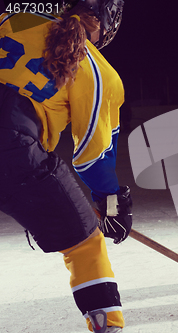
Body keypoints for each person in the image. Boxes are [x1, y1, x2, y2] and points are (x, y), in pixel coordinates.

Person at [0, 1, 131, 332]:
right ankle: (107, 326)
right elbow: (92, 156)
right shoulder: (98, 70)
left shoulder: (15, 18)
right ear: (105, 21)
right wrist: (111, 204)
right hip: (14, 150)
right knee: (85, 244)